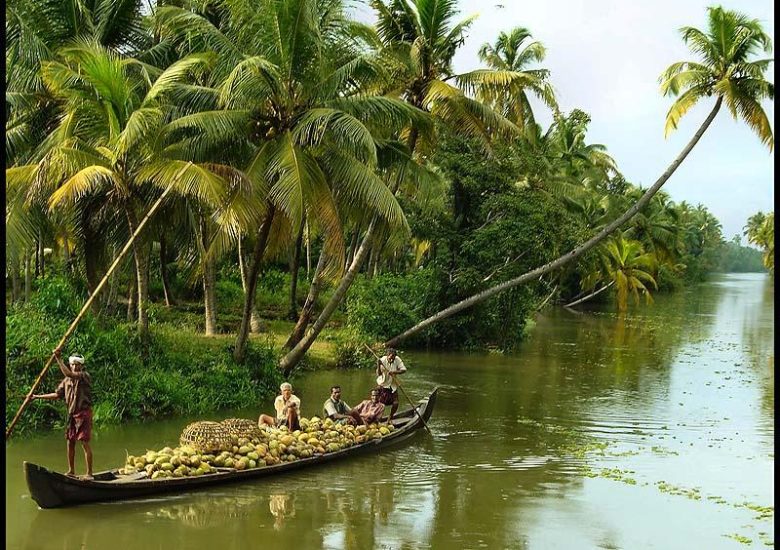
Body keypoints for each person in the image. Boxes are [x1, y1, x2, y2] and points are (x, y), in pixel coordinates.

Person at [31, 348, 94, 479]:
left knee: (84, 442)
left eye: (78, 364)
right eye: (73, 364)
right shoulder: (66, 381)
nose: (75, 366)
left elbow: (69, 374)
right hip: (72, 414)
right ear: (70, 365)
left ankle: (89, 474)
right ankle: (71, 470)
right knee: (70, 442)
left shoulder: (84, 376)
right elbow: (57, 395)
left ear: (82, 366)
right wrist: (37, 396)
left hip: (83, 414)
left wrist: (58, 359)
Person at [375, 347, 407, 420]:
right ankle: (377, 418)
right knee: (379, 404)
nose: (392, 359)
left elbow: (404, 370)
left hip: (392, 385)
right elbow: (379, 374)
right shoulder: (382, 360)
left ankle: (390, 417)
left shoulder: (397, 359)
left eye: (393, 357)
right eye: (390, 358)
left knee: (395, 403)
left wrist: (394, 372)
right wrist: (378, 365)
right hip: (382, 384)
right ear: (387, 355)